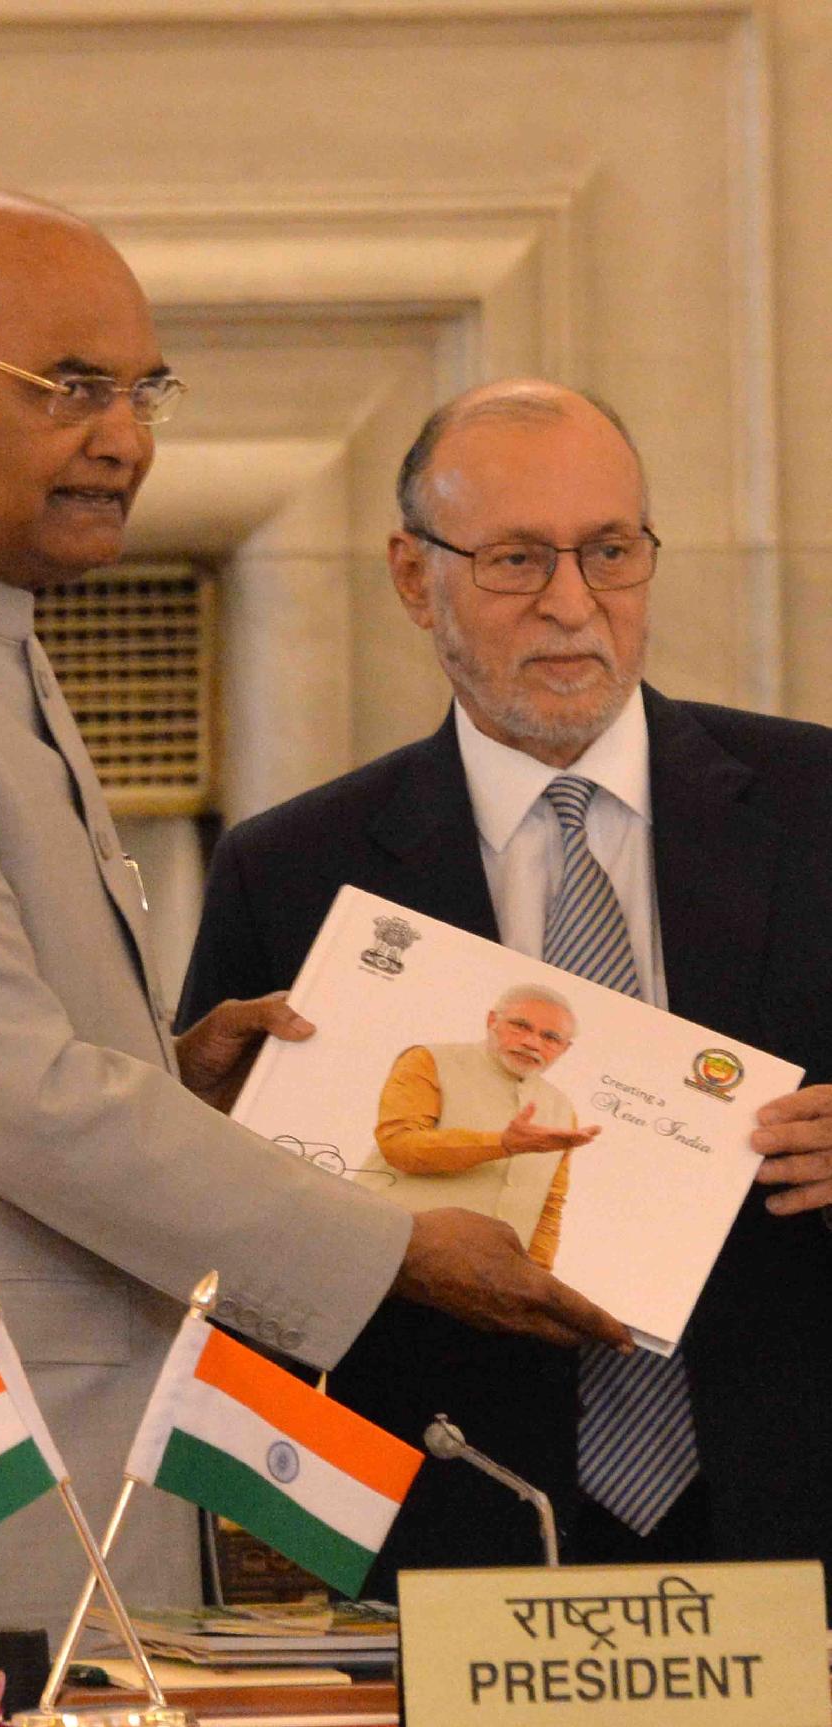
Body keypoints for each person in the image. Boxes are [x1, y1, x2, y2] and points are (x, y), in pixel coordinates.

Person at [0, 204, 626, 1641]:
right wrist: (389, 1248)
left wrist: (169, 1073)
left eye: (144, 391)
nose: (125, 437)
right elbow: (13, 1097)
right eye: (72, 386)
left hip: (3, 1455)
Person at [179, 380, 832, 1599]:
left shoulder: (816, 808)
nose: (572, 603)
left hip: (794, 1525)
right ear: (412, 576)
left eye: (609, 551)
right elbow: (226, 1261)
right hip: (454, 1540)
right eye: (517, 559)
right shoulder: (292, 872)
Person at [370, 985, 595, 1270]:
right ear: (492, 1021)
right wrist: (501, 1144)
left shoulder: (562, 1110)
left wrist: (536, 1276)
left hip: (478, 1279)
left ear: (565, 1048)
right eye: (520, 1026)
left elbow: (549, 1206)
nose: (532, 1043)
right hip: (386, 1249)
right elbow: (399, 1146)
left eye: (550, 1037)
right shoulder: (429, 1060)